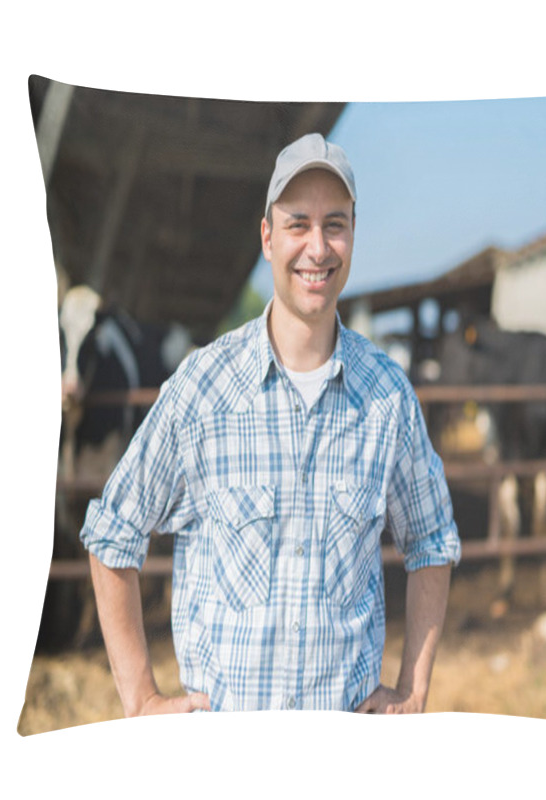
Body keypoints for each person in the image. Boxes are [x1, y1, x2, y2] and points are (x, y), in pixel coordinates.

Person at [80, 132, 461, 715]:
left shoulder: (388, 397)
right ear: (267, 237)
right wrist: (140, 698)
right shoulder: (202, 389)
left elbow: (432, 539)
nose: (317, 247)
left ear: (353, 235)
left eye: (335, 224)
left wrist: (413, 689)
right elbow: (112, 533)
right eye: (297, 224)